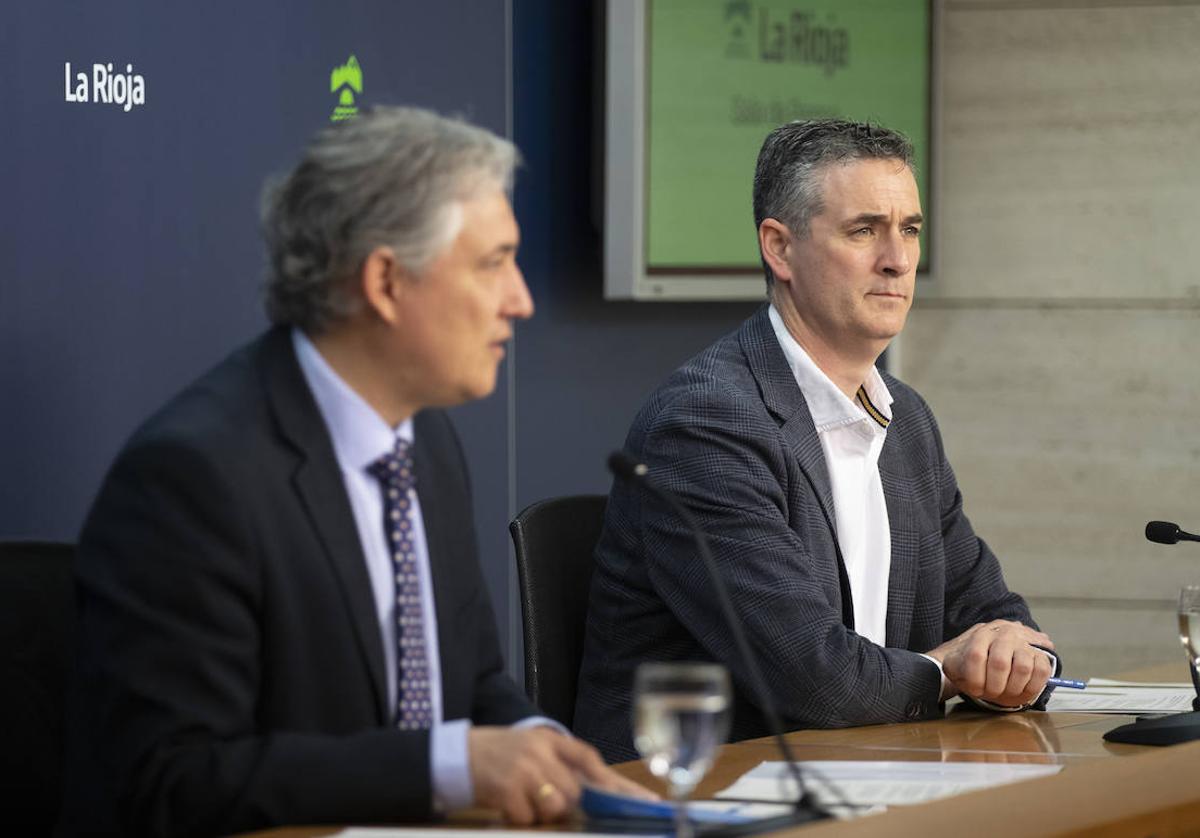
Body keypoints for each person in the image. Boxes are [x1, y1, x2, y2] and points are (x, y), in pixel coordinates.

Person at [59, 106, 643, 837]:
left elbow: (476, 687)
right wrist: (451, 766)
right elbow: (173, 778)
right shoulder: (195, 475)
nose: (520, 300)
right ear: (386, 282)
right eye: (493, 263)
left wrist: (541, 747)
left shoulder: (424, 441)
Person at [573, 120, 1060, 762]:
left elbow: (994, 614)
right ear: (779, 248)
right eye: (864, 231)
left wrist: (1019, 661)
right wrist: (948, 672)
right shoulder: (705, 423)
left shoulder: (906, 419)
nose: (899, 259)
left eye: (909, 230)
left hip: (873, 776)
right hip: (706, 797)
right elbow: (813, 677)